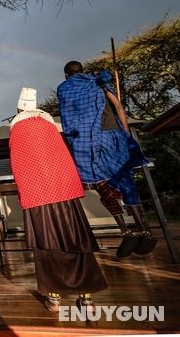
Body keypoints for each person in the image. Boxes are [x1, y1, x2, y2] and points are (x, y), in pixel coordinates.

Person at [9, 87, 108, 312]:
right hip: (64, 191)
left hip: (37, 195)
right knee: (76, 239)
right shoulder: (49, 126)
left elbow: (18, 165)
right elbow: (63, 157)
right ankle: (88, 298)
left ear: (18, 109)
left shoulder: (17, 128)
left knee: (47, 244)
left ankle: (54, 299)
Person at [57, 61, 156, 258]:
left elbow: (68, 119)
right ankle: (143, 229)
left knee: (102, 184)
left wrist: (73, 140)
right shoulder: (98, 82)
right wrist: (125, 133)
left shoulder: (65, 89)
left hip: (86, 140)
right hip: (113, 136)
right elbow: (118, 106)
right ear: (82, 71)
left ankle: (126, 230)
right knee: (125, 179)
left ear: (66, 75)